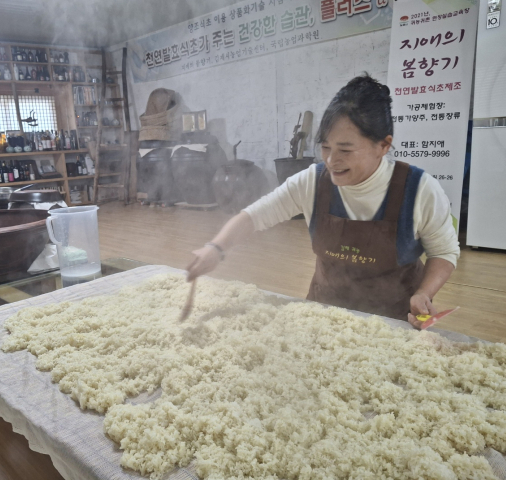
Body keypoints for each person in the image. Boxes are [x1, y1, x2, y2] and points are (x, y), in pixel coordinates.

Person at [186, 74, 459, 328]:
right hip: (324, 315)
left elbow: (444, 252)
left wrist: (424, 293)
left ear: (384, 146)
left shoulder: (419, 189)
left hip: (393, 323)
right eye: (326, 147)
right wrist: (216, 248)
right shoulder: (313, 182)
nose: (331, 160)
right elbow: (255, 216)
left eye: (345, 150)